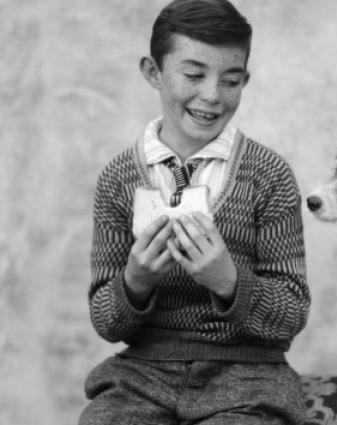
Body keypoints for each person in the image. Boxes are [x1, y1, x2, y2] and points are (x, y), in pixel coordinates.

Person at [79, 0, 310, 423]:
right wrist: (136, 281)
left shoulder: (269, 175)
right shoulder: (118, 179)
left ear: (246, 81)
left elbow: (291, 315)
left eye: (231, 80)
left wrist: (229, 281)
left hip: (250, 379)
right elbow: (107, 323)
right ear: (153, 72)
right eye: (193, 74)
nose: (212, 95)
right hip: (141, 377)